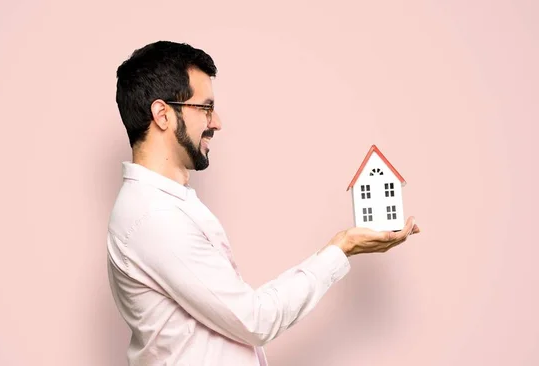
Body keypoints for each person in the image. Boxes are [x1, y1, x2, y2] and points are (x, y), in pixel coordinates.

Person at [106, 40, 420, 366]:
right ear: (163, 114)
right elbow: (254, 320)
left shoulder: (163, 206)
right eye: (205, 108)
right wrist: (342, 248)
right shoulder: (156, 219)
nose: (217, 122)